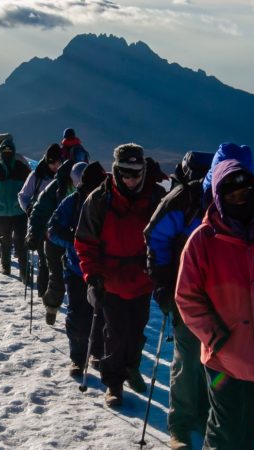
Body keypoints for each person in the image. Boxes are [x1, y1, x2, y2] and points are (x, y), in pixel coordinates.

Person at [175, 159, 254, 450]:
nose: (239, 200)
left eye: (245, 193)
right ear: (218, 197)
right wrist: (214, 335)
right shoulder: (203, 240)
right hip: (225, 355)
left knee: (249, 424)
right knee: (225, 429)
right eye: (231, 195)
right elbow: (186, 296)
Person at [75, 143, 166, 407]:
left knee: (137, 331)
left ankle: (131, 368)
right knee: (114, 333)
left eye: (135, 173)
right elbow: (85, 242)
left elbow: (166, 239)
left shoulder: (156, 198)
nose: (129, 179)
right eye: (124, 172)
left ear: (143, 171)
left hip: (142, 278)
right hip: (110, 280)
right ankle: (114, 384)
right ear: (115, 170)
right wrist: (92, 277)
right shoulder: (100, 200)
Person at [144, 150, 213, 449]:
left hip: (212, 295)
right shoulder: (183, 201)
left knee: (205, 360)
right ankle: (183, 423)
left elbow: (156, 241)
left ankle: (196, 418)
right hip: (188, 295)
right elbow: (156, 240)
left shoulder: (186, 199)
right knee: (189, 358)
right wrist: (162, 286)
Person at [48, 161, 106, 376]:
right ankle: (78, 358)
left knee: (100, 315)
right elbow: (53, 231)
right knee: (78, 316)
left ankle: (97, 353)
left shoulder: (109, 202)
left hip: (102, 270)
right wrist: (74, 242)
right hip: (76, 268)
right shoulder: (71, 203)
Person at [27, 159, 77, 325]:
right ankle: (51, 309)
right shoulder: (55, 188)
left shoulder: (88, 189)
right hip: (54, 239)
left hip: (76, 242)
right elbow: (39, 211)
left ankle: (76, 318)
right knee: (57, 277)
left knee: (72, 280)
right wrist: (33, 233)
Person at [0, 133, 31, 279]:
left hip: (6, 211)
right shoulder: (20, 167)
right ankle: (18, 270)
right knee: (10, 240)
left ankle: (14, 269)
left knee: (12, 240)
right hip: (14, 211)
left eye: (9, 151)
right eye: (5, 151)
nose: (7, 153)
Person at [20, 143, 63, 295]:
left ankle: (51, 292)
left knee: (56, 261)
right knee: (44, 260)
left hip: (58, 225)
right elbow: (23, 196)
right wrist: (29, 209)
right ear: (46, 160)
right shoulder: (36, 176)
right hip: (39, 224)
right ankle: (44, 293)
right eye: (52, 162)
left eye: (58, 162)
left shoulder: (65, 177)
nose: (55, 166)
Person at [0, 148, 30, 251]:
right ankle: (16, 246)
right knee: (17, 226)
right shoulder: (20, 158)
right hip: (18, 201)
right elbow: (29, 176)